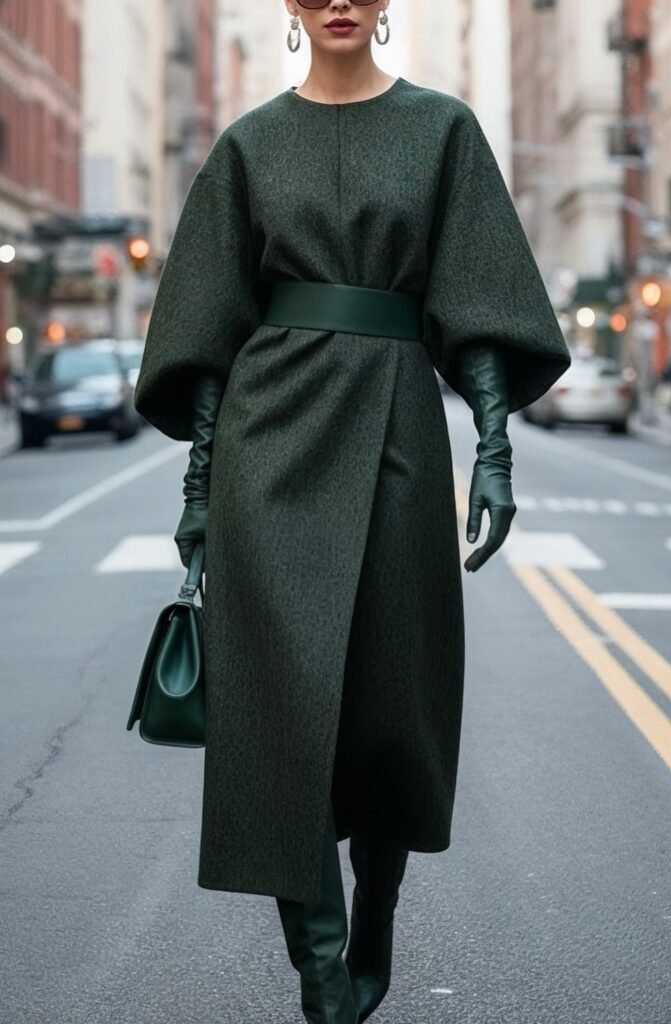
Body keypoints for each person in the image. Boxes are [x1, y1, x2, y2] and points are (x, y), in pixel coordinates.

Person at [134, 1, 572, 1020]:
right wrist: (199, 493)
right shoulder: (246, 147)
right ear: (289, 6)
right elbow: (207, 331)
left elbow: (478, 306)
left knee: (388, 712)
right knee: (280, 720)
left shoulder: (442, 130)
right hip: (266, 445)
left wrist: (494, 453)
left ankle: (373, 915)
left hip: (399, 438)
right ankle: (323, 977)